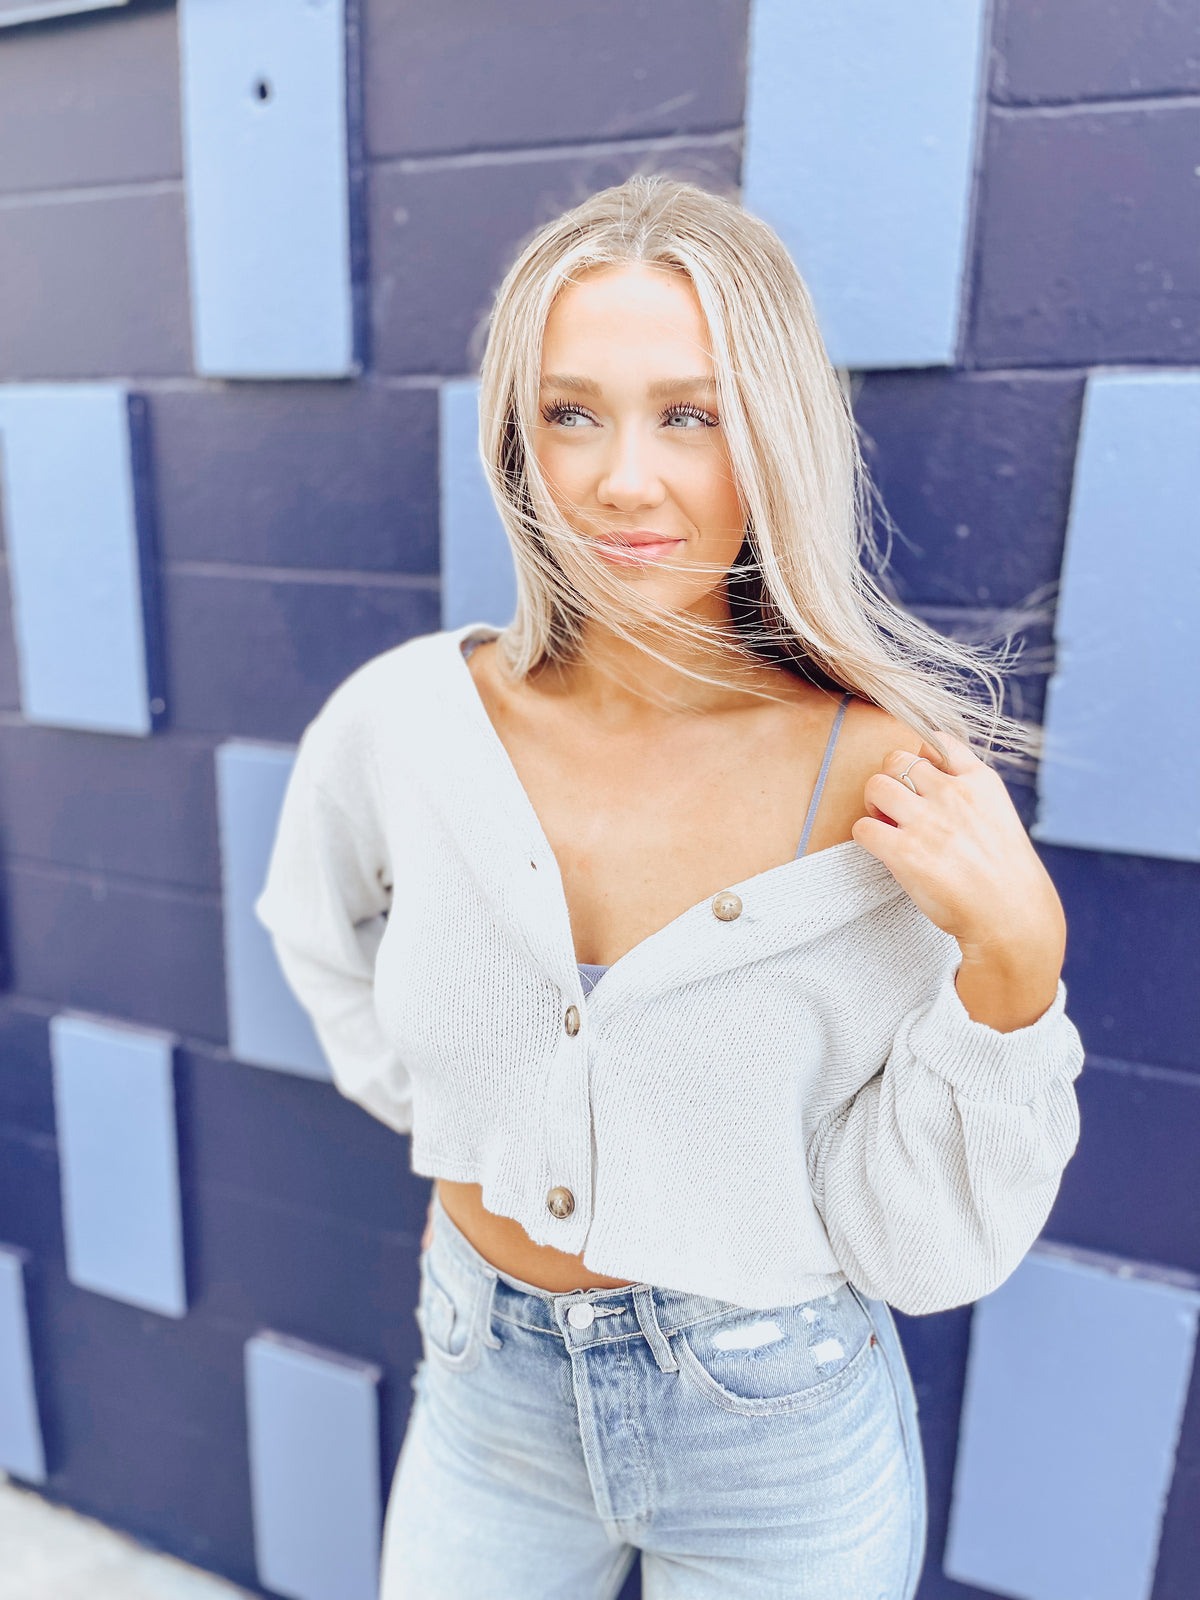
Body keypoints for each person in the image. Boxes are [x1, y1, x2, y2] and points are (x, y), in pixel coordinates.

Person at [253, 175, 1084, 1600]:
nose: (622, 478)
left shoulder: (884, 783)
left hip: (773, 1433)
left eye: (688, 414)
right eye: (573, 411)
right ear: (516, 439)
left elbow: (919, 1245)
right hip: (480, 1385)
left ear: (772, 437)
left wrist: (1016, 971)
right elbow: (314, 927)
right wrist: (469, 1111)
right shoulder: (405, 720)